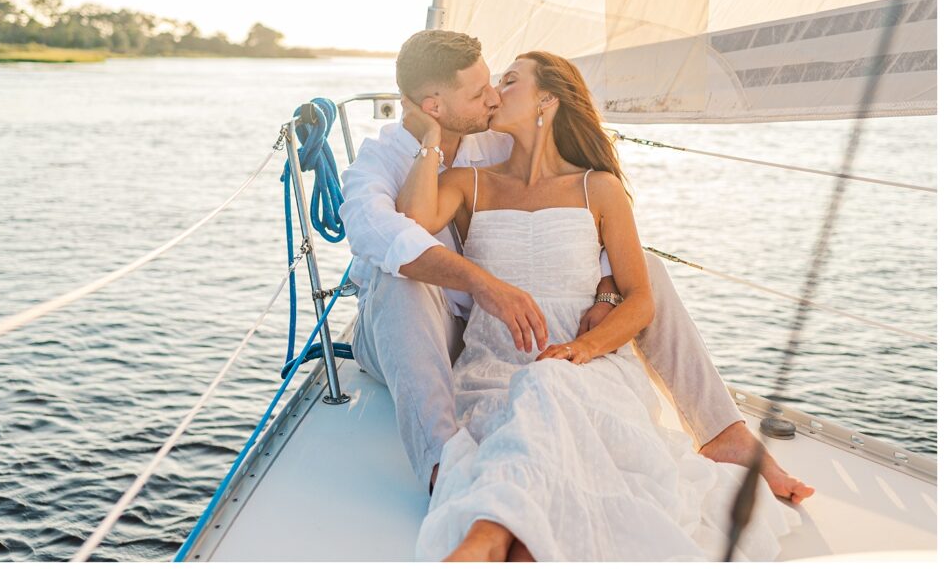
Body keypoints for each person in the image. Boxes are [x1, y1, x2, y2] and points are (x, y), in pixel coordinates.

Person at [339, 30, 814, 506]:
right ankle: (443, 462)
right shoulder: (376, 166)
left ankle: (722, 432)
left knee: (645, 270)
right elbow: (399, 236)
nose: (492, 97)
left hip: (485, 325)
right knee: (398, 278)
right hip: (403, 332)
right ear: (434, 107)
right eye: (479, 91)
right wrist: (432, 147)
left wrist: (608, 288)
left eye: (497, 83)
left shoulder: (497, 141)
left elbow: (570, 219)